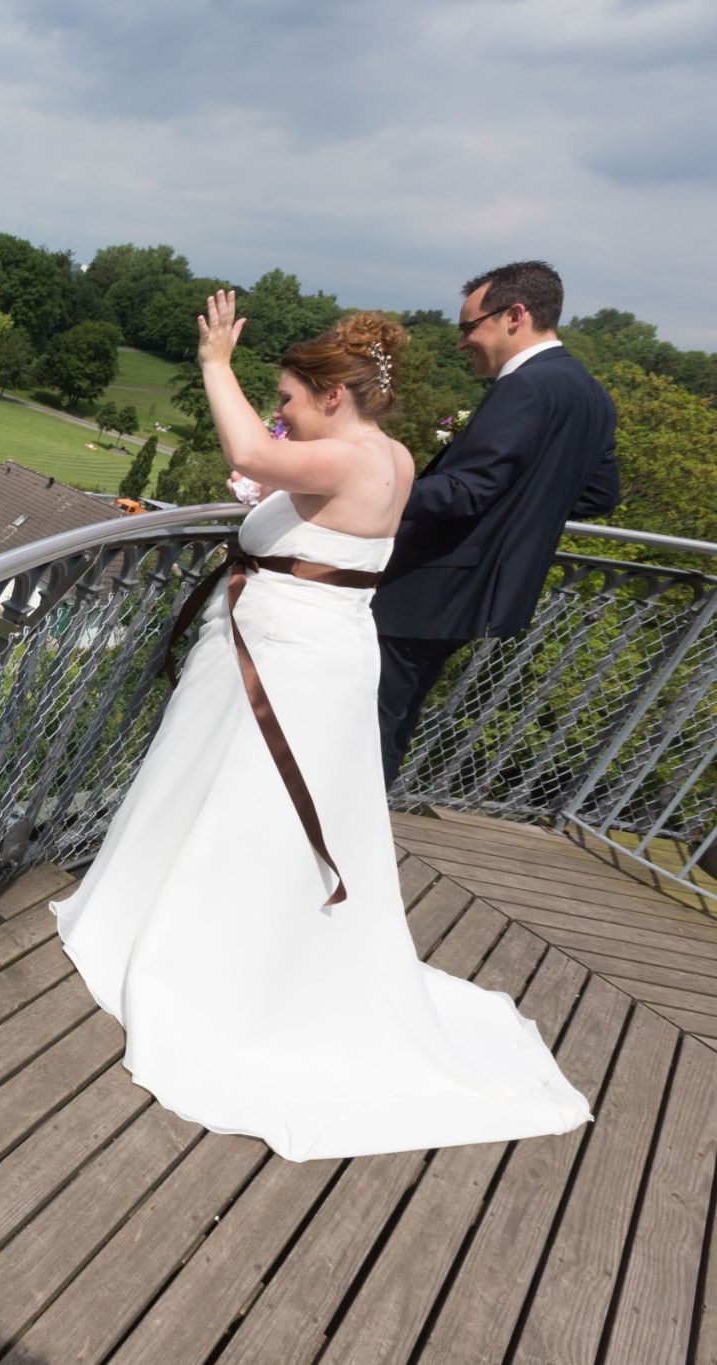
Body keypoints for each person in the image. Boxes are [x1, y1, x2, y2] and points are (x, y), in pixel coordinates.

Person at [47, 292, 590, 1162]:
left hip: (290, 660)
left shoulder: (349, 459)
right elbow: (295, 491)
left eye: (294, 400)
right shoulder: (391, 455)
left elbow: (250, 450)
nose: (285, 416)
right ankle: (182, 918)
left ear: (336, 399)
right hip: (302, 648)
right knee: (230, 794)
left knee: (255, 807)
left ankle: (221, 965)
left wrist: (217, 364)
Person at [373, 261, 619, 785]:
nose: (463, 343)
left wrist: (362, 488)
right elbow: (598, 495)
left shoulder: (525, 387)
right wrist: (522, 513)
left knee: (369, 723)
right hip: (486, 594)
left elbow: (466, 490)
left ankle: (334, 847)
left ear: (515, 315)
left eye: (469, 328)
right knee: (394, 721)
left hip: (429, 585)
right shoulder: (592, 395)